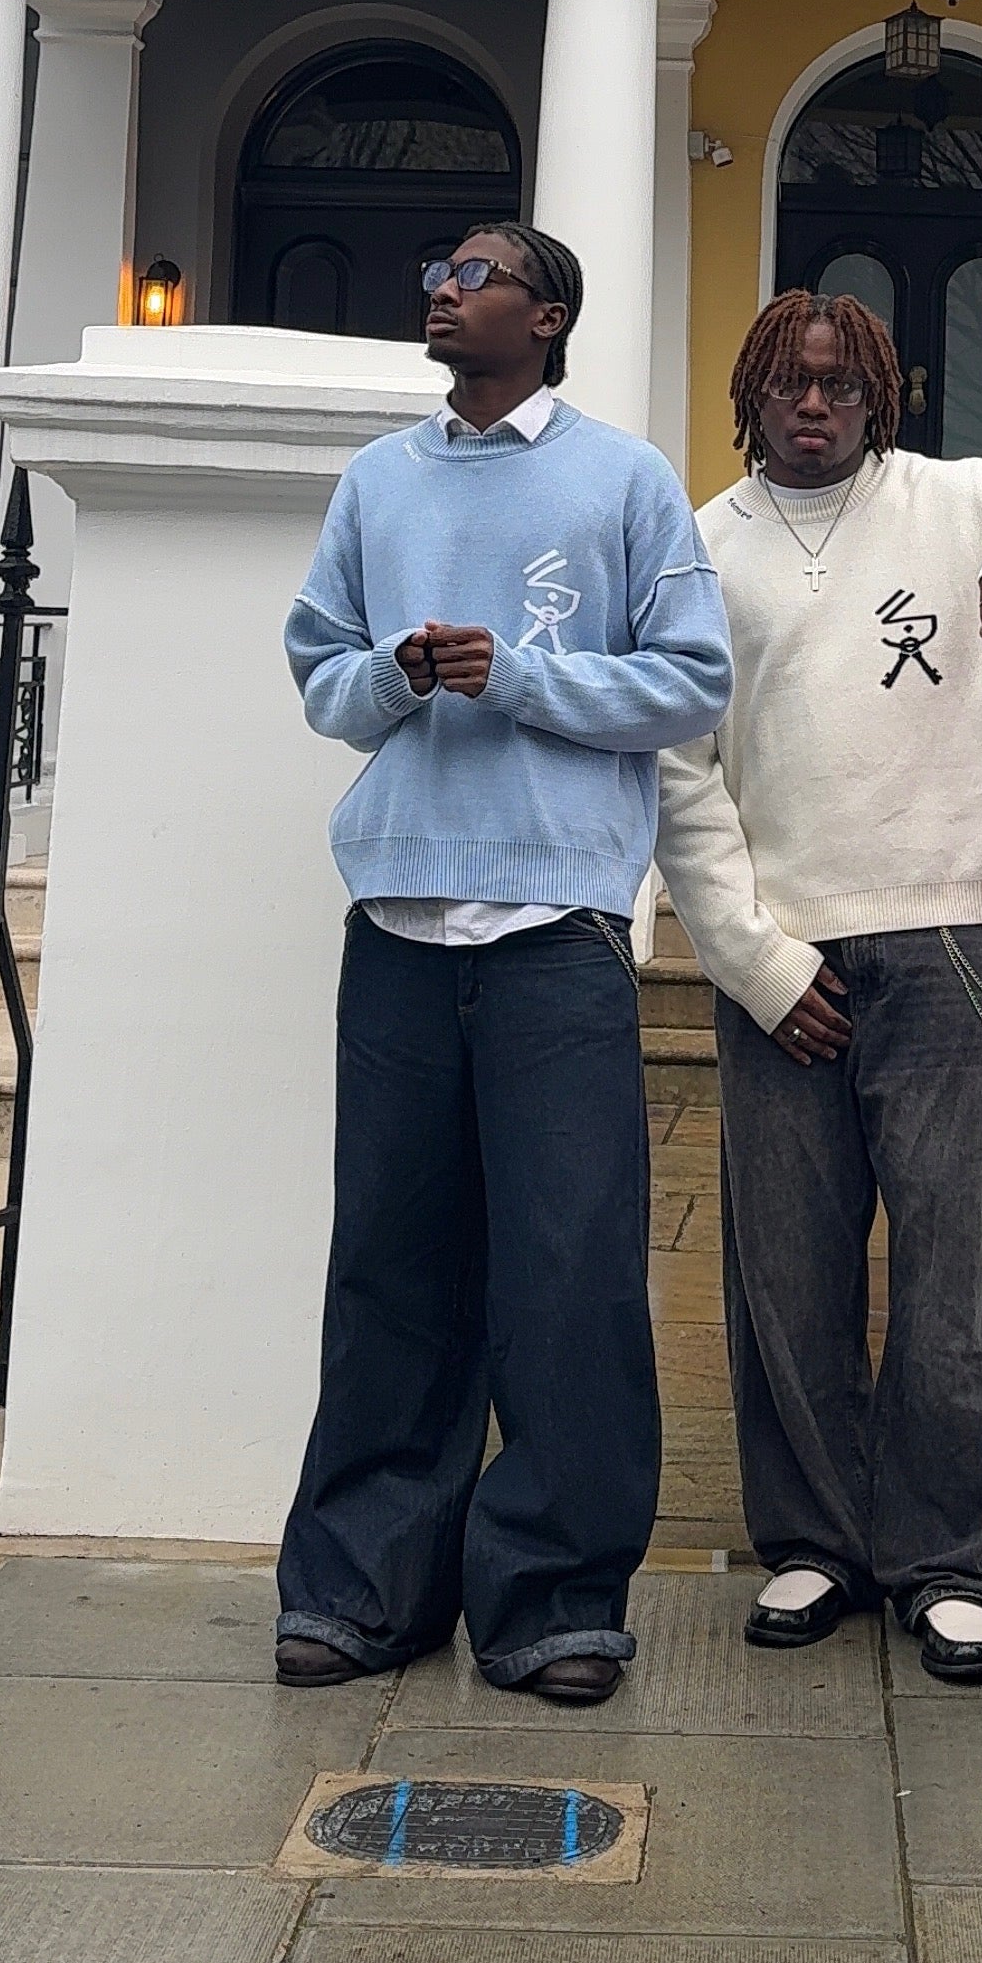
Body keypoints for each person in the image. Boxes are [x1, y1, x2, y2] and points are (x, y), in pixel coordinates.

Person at [273, 220, 732, 1707]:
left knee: (569, 1270)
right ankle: (361, 1589)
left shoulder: (625, 480)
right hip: (398, 918)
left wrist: (516, 674)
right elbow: (322, 680)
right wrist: (398, 674)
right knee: (390, 1267)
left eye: (471, 274)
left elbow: (693, 680)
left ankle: (554, 1602)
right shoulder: (378, 481)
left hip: (558, 929)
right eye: (436, 272)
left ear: (546, 315)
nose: (439, 289)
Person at [655, 289, 982, 1682]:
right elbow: (678, 766)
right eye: (791, 384)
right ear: (751, 391)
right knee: (784, 1262)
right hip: (783, 957)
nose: (816, 406)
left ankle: (953, 1558)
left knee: (954, 1264)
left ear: (882, 396)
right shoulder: (700, 546)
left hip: (954, 936)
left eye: (843, 386)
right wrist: (748, 955)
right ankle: (812, 1540)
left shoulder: (967, 500)